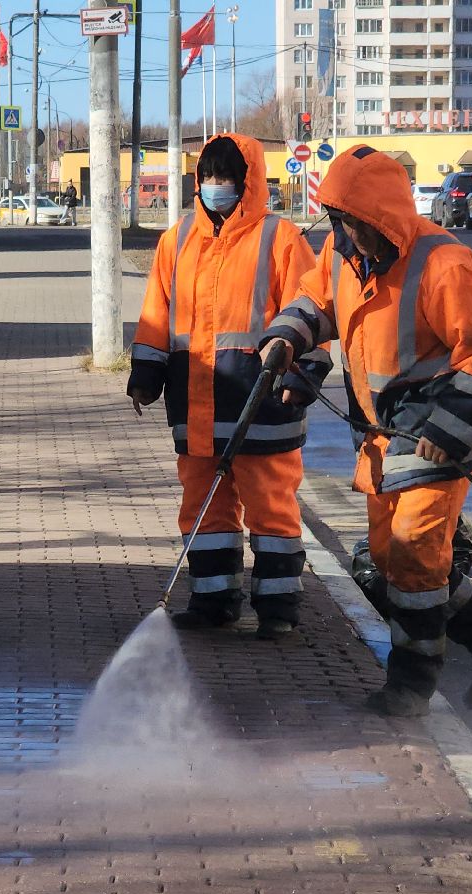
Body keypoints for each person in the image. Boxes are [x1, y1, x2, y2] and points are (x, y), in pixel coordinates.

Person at [258, 144, 472, 716]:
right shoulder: (344, 252)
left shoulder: (443, 263)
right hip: (383, 437)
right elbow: (316, 300)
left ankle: (410, 687)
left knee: (413, 558)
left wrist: (450, 428)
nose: (345, 234)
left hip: (436, 434)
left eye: (353, 223)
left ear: (378, 218)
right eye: (339, 222)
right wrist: (289, 336)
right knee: (389, 562)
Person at [128, 133, 324, 639]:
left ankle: (278, 609)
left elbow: (314, 311)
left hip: (263, 399)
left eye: (227, 179)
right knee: (203, 504)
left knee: (270, 506)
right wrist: (145, 374)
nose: (216, 187)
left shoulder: (279, 238)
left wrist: (303, 375)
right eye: (208, 177)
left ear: (248, 182)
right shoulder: (177, 240)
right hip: (195, 403)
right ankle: (213, 601)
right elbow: (157, 314)